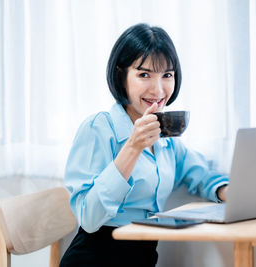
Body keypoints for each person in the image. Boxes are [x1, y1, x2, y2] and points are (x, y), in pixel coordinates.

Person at [60, 23, 229, 267]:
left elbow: (200, 174)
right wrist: (133, 147)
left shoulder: (165, 135)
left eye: (167, 75)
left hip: (143, 258)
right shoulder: (98, 128)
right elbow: (88, 217)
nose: (159, 90)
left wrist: (228, 192)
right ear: (121, 75)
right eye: (144, 74)